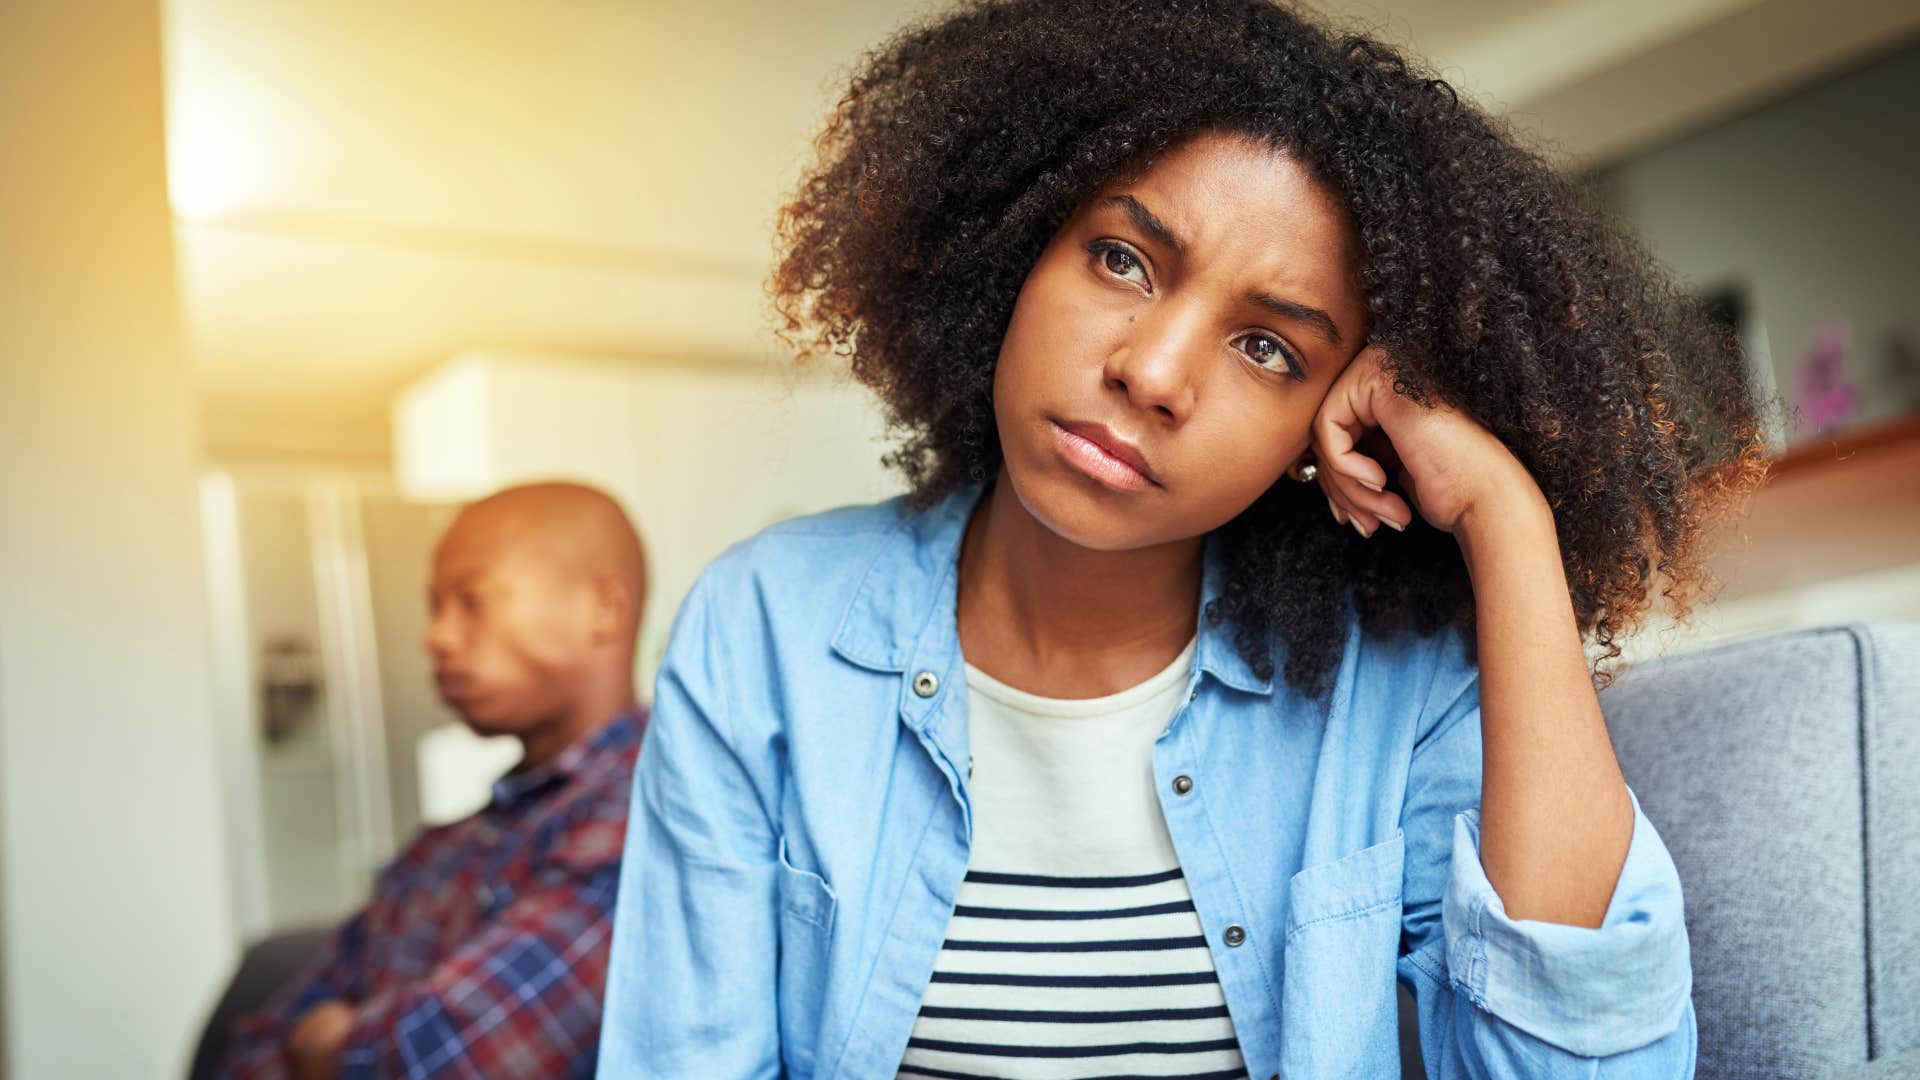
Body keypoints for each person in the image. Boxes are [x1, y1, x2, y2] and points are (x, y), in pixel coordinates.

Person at [597, 1, 1770, 1076]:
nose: (1152, 373)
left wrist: (1509, 521)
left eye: (1270, 348)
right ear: (1012, 250)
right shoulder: (769, 627)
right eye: (1122, 261)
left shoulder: (1400, 685)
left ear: (1320, 425)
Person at [222, 481, 649, 1079]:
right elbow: (247, 1055)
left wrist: (325, 1048)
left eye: (472, 601)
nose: (436, 638)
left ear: (604, 607)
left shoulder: (653, 812)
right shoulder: (438, 850)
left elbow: (450, 1061)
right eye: (434, 607)